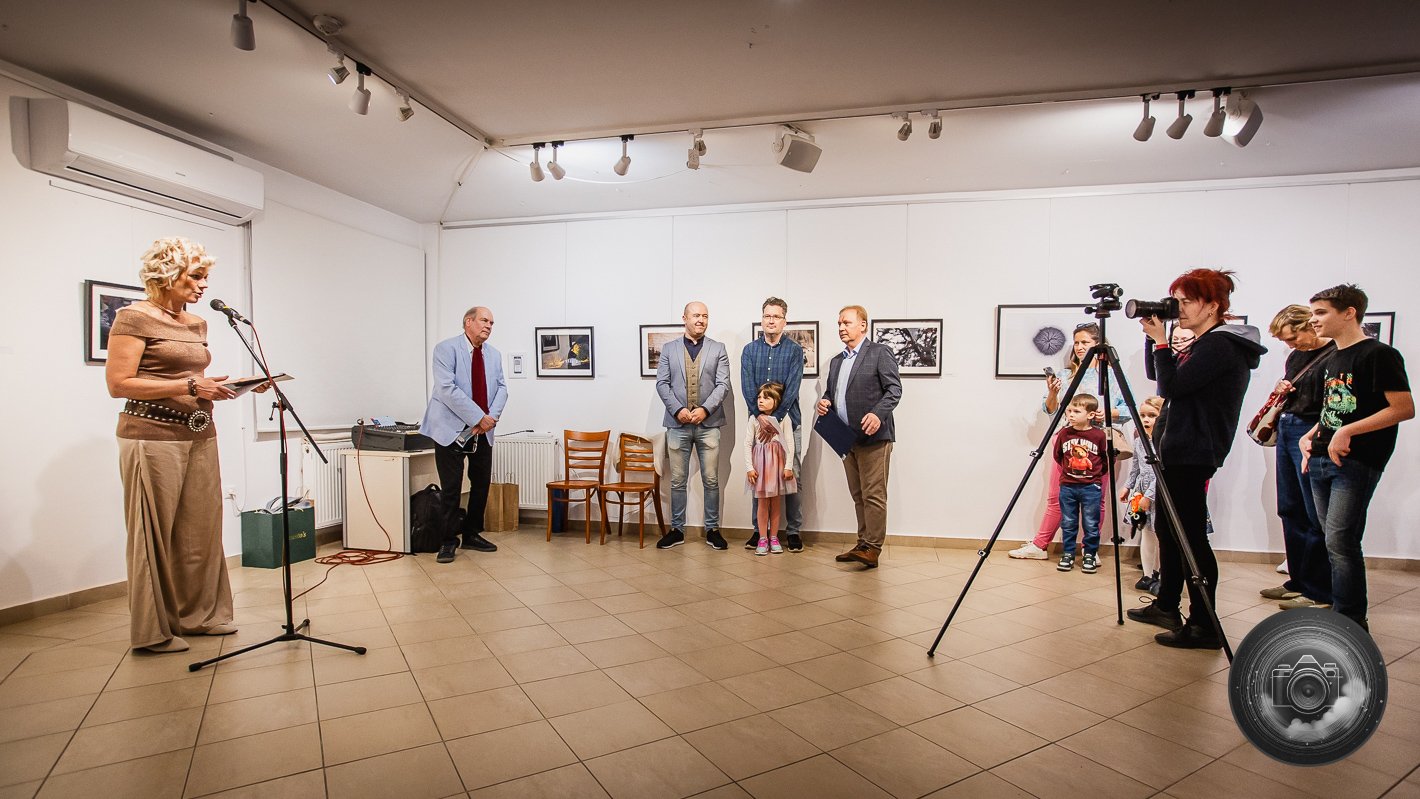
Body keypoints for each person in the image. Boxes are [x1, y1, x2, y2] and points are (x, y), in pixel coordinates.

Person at [106, 237, 244, 653]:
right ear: (167, 274)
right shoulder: (133, 317)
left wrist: (225, 386)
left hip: (199, 432)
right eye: (196, 276)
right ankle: (154, 632)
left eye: (206, 277)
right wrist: (190, 385)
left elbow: (191, 377)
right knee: (153, 534)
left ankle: (199, 616)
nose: (204, 285)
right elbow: (119, 384)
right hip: (151, 436)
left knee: (200, 530)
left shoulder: (197, 324)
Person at [1127, 268, 1266, 649]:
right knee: (1169, 531)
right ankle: (1166, 604)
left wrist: (1161, 342)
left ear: (1213, 306)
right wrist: (1155, 341)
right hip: (1180, 448)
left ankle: (1204, 624)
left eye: (1186, 301)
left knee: (1189, 538)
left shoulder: (1220, 346)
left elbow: (1171, 386)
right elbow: (1161, 376)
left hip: (1193, 450)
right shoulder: (1205, 343)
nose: (1179, 308)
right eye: (1177, 301)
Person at [1300, 285, 1413, 631]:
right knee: (1331, 538)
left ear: (1349, 313)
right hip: (1321, 457)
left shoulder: (1379, 354)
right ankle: (1341, 608)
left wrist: (1348, 432)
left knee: (1341, 540)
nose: (1313, 319)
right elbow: (1334, 408)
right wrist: (1311, 435)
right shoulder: (1332, 358)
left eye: (1321, 312)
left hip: (1357, 459)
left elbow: (1403, 408)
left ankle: (1350, 619)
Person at [1009, 323, 1128, 560]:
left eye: (1085, 342)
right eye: (1077, 343)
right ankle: (1040, 545)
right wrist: (1053, 392)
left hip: (1098, 441)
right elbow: (1051, 409)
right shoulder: (1066, 375)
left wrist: (1105, 413)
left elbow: (1127, 408)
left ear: (1098, 345)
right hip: (1067, 441)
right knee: (1057, 495)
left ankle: (1089, 550)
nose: (1080, 347)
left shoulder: (1111, 376)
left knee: (1096, 499)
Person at [1258, 304, 1336, 610]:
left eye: (1293, 338)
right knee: (1290, 508)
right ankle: (1298, 580)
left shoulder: (1334, 355)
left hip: (1311, 431)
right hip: (1289, 425)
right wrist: (1283, 389)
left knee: (1313, 511)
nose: (1290, 345)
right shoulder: (1296, 356)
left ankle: (1318, 588)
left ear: (1308, 325)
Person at [419, 306, 508, 563]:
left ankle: (471, 533)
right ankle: (448, 541)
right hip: (450, 429)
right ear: (468, 322)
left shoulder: (494, 355)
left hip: (483, 430)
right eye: (484, 320)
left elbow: (502, 388)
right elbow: (446, 389)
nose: (489, 326)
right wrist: (478, 417)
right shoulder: (445, 349)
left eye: (492, 322)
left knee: (481, 484)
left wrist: (489, 420)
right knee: (451, 487)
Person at [816, 305, 903, 569]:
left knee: (874, 495)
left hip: (874, 438)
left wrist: (877, 414)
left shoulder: (879, 352)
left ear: (863, 325)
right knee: (858, 495)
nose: (841, 328)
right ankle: (863, 543)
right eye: (839, 324)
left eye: (847, 323)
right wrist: (825, 402)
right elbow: (832, 393)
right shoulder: (837, 361)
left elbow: (894, 390)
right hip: (845, 438)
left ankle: (873, 548)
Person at [655, 301, 732, 550]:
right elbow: (662, 383)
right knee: (678, 480)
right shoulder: (668, 349)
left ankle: (712, 530)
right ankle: (677, 530)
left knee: (711, 480)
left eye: (705, 316)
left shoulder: (718, 349)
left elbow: (723, 385)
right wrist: (678, 410)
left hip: (709, 424)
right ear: (684, 318)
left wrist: (705, 409)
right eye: (696, 315)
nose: (701, 320)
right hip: (677, 425)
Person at [740, 297, 805, 553]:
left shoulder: (794, 351)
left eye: (776, 316)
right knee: (760, 477)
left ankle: (793, 531)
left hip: (788, 422)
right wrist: (760, 417)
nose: (771, 320)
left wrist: (775, 419)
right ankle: (760, 532)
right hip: (758, 425)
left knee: (791, 474)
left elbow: (792, 388)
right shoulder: (749, 350)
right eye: (767, 316)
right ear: (762, 319)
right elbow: (747, 387)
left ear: (784, 321)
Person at [1053, 394, 1109, 574]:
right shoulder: (1064, 433)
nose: (1071, 414)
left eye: (1076, 411)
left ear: (1091, 414)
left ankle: (1090, 554)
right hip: (1068, 486)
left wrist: (1095, 477)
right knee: (1068, 522)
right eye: (1069, 410)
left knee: (1091, 523)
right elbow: (1058, 455)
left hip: (1091, 487)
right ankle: (1068, 554)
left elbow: (1104, 458)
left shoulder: (1099, 435)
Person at [745, 382, 797, 556]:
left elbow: (789, 443)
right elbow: (747, 444)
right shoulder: (754, 419)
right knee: (762, 503)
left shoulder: (784, 418)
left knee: (775, 502)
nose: (760, 400)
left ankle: (774, 537)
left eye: (766, 398)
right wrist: (749, 468)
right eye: (759, 397)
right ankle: (762, 538)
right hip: (760, 466)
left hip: (777, 466)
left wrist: (788, 466)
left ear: (777, 400)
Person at [1121, 396, 1164, 593]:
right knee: (1146, 533)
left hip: (1158, 494)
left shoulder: (1164, 442)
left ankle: (1162, 575)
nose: (1146, 419)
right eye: (1143, 415)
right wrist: (1128, 487)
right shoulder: (1139, 442)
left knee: (1162, 536)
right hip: (1141, 493)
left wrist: (1150, 496)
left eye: (1152, 415)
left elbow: (1161, 472)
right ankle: (1147, 574)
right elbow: (1136, 468)